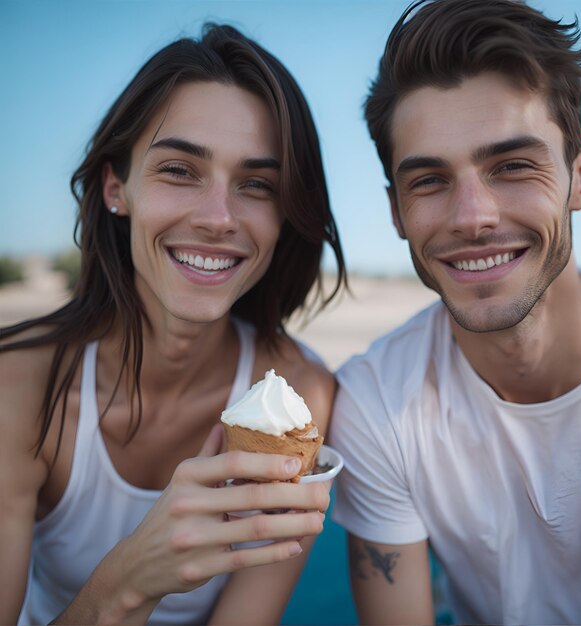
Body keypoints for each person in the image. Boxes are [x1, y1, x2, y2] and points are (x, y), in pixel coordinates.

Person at [0, 23, 347, 625]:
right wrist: (131, 578)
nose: (218, 218)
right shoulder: (18, 390)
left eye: (257, 184)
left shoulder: (302, 397)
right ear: (117, 187)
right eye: (180, 170)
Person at [329, 0, 581, 624]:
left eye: (512, 166)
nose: (472, 216)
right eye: (429, 181)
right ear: (395, 212)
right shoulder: (377, 400)